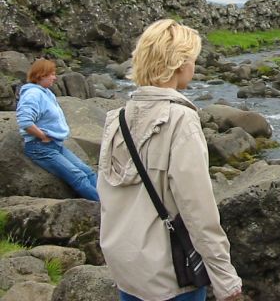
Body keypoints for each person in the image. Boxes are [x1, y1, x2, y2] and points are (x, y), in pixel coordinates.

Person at [97, 19, 242, 301]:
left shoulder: (117, 118)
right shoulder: (181, 119)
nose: (194, 66)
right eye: (193, 59)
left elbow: (105, 193)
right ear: (179, 63)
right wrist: (225, 280)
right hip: (168, 275)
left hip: (125, 266)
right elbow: (198, 211)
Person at [15, 59, 99, 201]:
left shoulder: (46, 92)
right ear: (41, 75)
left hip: (54, 144)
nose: (55, 78)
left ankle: (110, 201)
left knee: (88, 172)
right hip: (40, 147)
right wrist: (42, 136)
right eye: (52, 74)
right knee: (78, 177)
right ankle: (105, 207)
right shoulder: (32, 94)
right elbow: (25, 121)